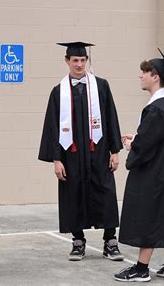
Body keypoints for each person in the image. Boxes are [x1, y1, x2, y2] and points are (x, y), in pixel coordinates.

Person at [39, 42, 124, 261]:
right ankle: (78, 241)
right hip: (72, 154)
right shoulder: (58, 92)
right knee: (73, 193)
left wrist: (115, 151)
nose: (79, 64)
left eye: (83, 60)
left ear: (87, 61)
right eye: (75, 60)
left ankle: (110, 241)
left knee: (105, 192)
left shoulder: (101, 86)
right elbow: (52, 127)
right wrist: (56, 160)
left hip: (99, 151)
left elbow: (111, 118)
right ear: (66, 61)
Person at [114, 49, 164, 282]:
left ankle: (141, 268)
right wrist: (137, 140)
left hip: (154, 174)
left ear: (155, 76)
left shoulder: (159, 108)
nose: (140, 76)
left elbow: (146, 145)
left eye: (144, 72)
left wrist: (131, 146)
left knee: (148, 215)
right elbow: (156, 139)